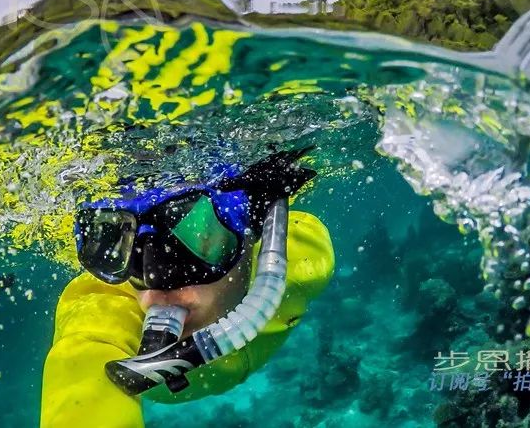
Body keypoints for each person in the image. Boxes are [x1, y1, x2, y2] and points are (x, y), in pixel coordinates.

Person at [40, 148, 335, 427]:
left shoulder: (298, 256)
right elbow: (81, 369)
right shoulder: (103, 310)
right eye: (129, 256)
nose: (153, 293)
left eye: (192, 243)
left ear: (250, 236)